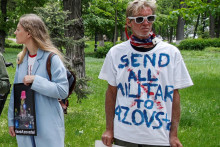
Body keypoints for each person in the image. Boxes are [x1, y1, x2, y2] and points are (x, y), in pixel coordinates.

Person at [99, 0, 193, 147]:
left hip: (158, 136)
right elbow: (111, 92)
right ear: (129, 23)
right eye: (139, 19)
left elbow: (175, 95)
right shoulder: (116, 53)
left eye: (150, 18)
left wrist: (173, 135)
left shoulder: (171, 53)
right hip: (125, 134)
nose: (146, 23)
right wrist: (109, 129)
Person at [8, 14, 69, 147]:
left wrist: (36, 80)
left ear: (29, 33)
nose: (15, 32)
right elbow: (16, 93)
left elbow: (63, 90)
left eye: (18, 29)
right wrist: (12, 120)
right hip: (24, 123)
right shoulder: (21, 59)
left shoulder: (52, 58)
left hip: (48, 125)